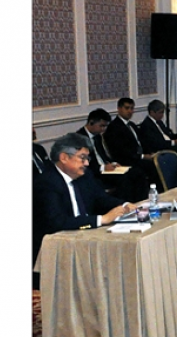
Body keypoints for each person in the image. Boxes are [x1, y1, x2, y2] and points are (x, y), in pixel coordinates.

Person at [32, 133, 133, 288]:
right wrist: (102, 219)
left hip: (82, 238)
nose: (87, 163)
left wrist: (125, 205)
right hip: (57, 248)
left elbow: (101, 198)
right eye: (82, 158)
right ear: (64, 157)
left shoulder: (85, 176)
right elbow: (57, 222)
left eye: (88, 158)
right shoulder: (46, 183)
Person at [104, 97, 153, 166]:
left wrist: (150, 153)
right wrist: (142, 156)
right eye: (127, 108)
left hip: (140, 157)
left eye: (132, 108)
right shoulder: (113, 127)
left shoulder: (132, 125)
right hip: (128, 161)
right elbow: (121, 150)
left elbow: (142, 141)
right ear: (119, 109)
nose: (130, 111)